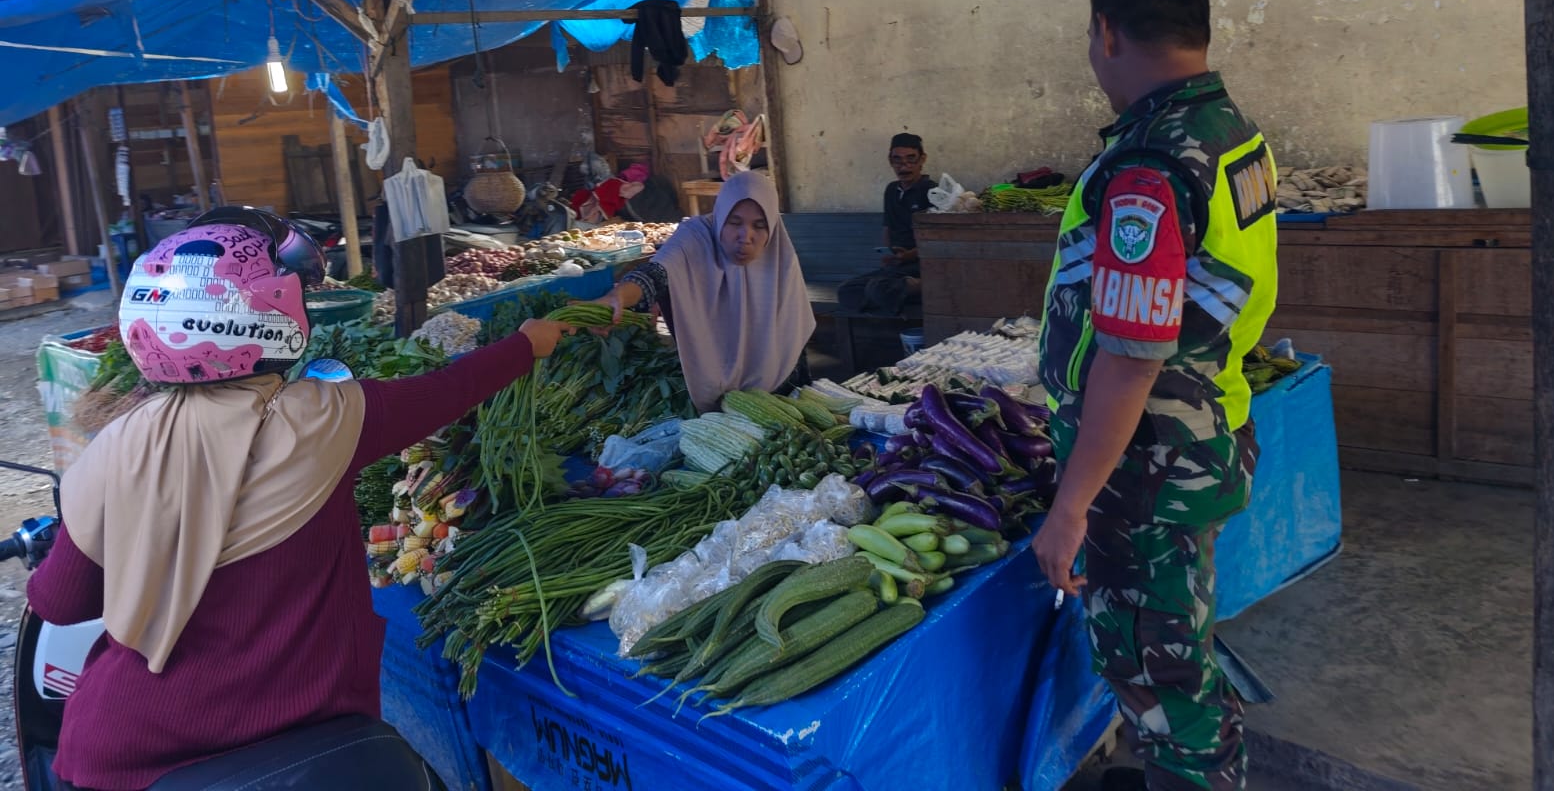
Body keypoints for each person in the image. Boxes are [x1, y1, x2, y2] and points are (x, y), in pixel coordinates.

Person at [26, 207, 575, 791]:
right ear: (273, 314)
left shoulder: (118, 444)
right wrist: (527, 345)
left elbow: (59, 603)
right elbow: (447, 389)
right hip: (294, 746)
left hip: (121, 748)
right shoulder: (324, 419)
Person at [1032, 0, 1278, 791]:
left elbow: (1132, 358)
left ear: (1107, 32)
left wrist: (1071, 507)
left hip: (1146, 468)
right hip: (1207, 427)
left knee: (1159, 677)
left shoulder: (1151, 165)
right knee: (1179, 649)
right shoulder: (1232, 133)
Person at [591, 170, 814, 411]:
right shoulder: (696, 236)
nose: (745, 236)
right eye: (734, 222)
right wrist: (619, 297)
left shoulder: (780, 255)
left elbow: (793, 340)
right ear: (721, 215)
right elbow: (657, 272)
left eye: (759, 226)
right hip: (715, 389)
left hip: (779, 387)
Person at [836, 133, 934, 316]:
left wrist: (908, 255)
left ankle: (921, 286)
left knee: (878, 288)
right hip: (897, 268)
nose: (904, 166)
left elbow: (934, 241)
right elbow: (887, 227)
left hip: (920, 265)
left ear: (922, 159)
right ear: (890, 161)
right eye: (897, 160)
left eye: (911, 159)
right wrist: (889, 253)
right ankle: (907, 292)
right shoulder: (891, 190)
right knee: (847, 291)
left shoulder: (932, 191)